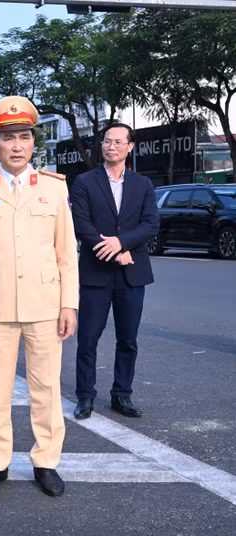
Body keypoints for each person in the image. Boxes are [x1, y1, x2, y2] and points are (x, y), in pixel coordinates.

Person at [0, 96, 79, 499]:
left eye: (24, 137)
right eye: (8, 138)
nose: (17, 146)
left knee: (46, 389)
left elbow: (66, 252)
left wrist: (69, 303)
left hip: (45, 305)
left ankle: (46, 461)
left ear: (32, 143)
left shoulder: (54, 187)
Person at [70, 123, 159, 420]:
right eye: (107, 141)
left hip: (132, 274)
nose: (111, 146)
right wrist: (113, 252)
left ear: (130, 147)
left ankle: (122, 394)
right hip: (96, 272)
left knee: (128, 339)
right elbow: (81, 224)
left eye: (118, 142)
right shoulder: (85, 182)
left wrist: (121, 244)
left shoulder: (142, 184)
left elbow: (150, 224)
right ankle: (85, 396)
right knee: (88, 338)